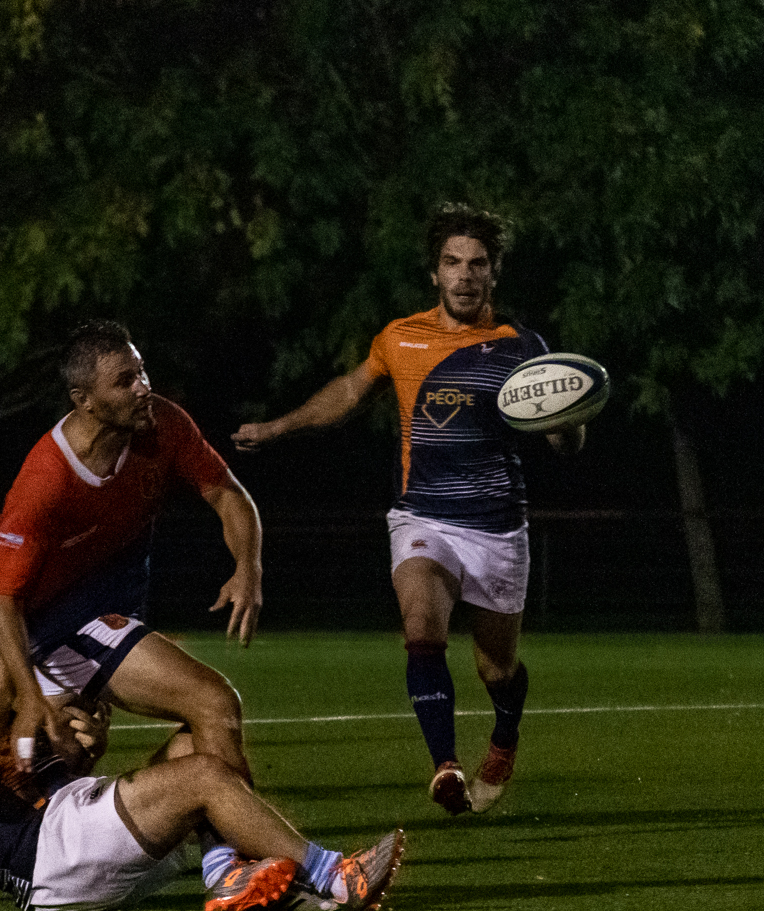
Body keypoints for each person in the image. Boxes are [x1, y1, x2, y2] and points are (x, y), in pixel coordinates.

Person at [232, 203, 575, 814]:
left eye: (477, 264)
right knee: (420, 627)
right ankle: (445, 767)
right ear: (434, 273)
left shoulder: (521, 346)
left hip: (497, 526)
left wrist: (571, 424)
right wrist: (280, 426)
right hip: (422, 516)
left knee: (497, 668)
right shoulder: (401, 336)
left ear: (494, 275)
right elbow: (348, 392)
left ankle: (504, 737)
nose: (464, 275)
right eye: (452, 263)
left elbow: (561, 436)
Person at [0, 607, 403, 911]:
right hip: (44, 859)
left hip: (65, 840)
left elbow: (40, 785)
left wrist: (85, 750)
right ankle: (334, 875)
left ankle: (229, 871)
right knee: (202, 776)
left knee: (194, 739)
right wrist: (7, 693)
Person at [0, 319, 265, 785]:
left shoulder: (164, 424)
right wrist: (30, 695)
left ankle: (221, 852)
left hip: (105, 609)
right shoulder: (46, 483)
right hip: (56, 625)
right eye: (125, 381)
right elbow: (1, 600)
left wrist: (247, 567)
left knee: (57, 783)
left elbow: (226, 493)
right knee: (212, 704)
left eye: (142, 372)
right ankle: (234, 852)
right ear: (84, 401)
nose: (143, 389)